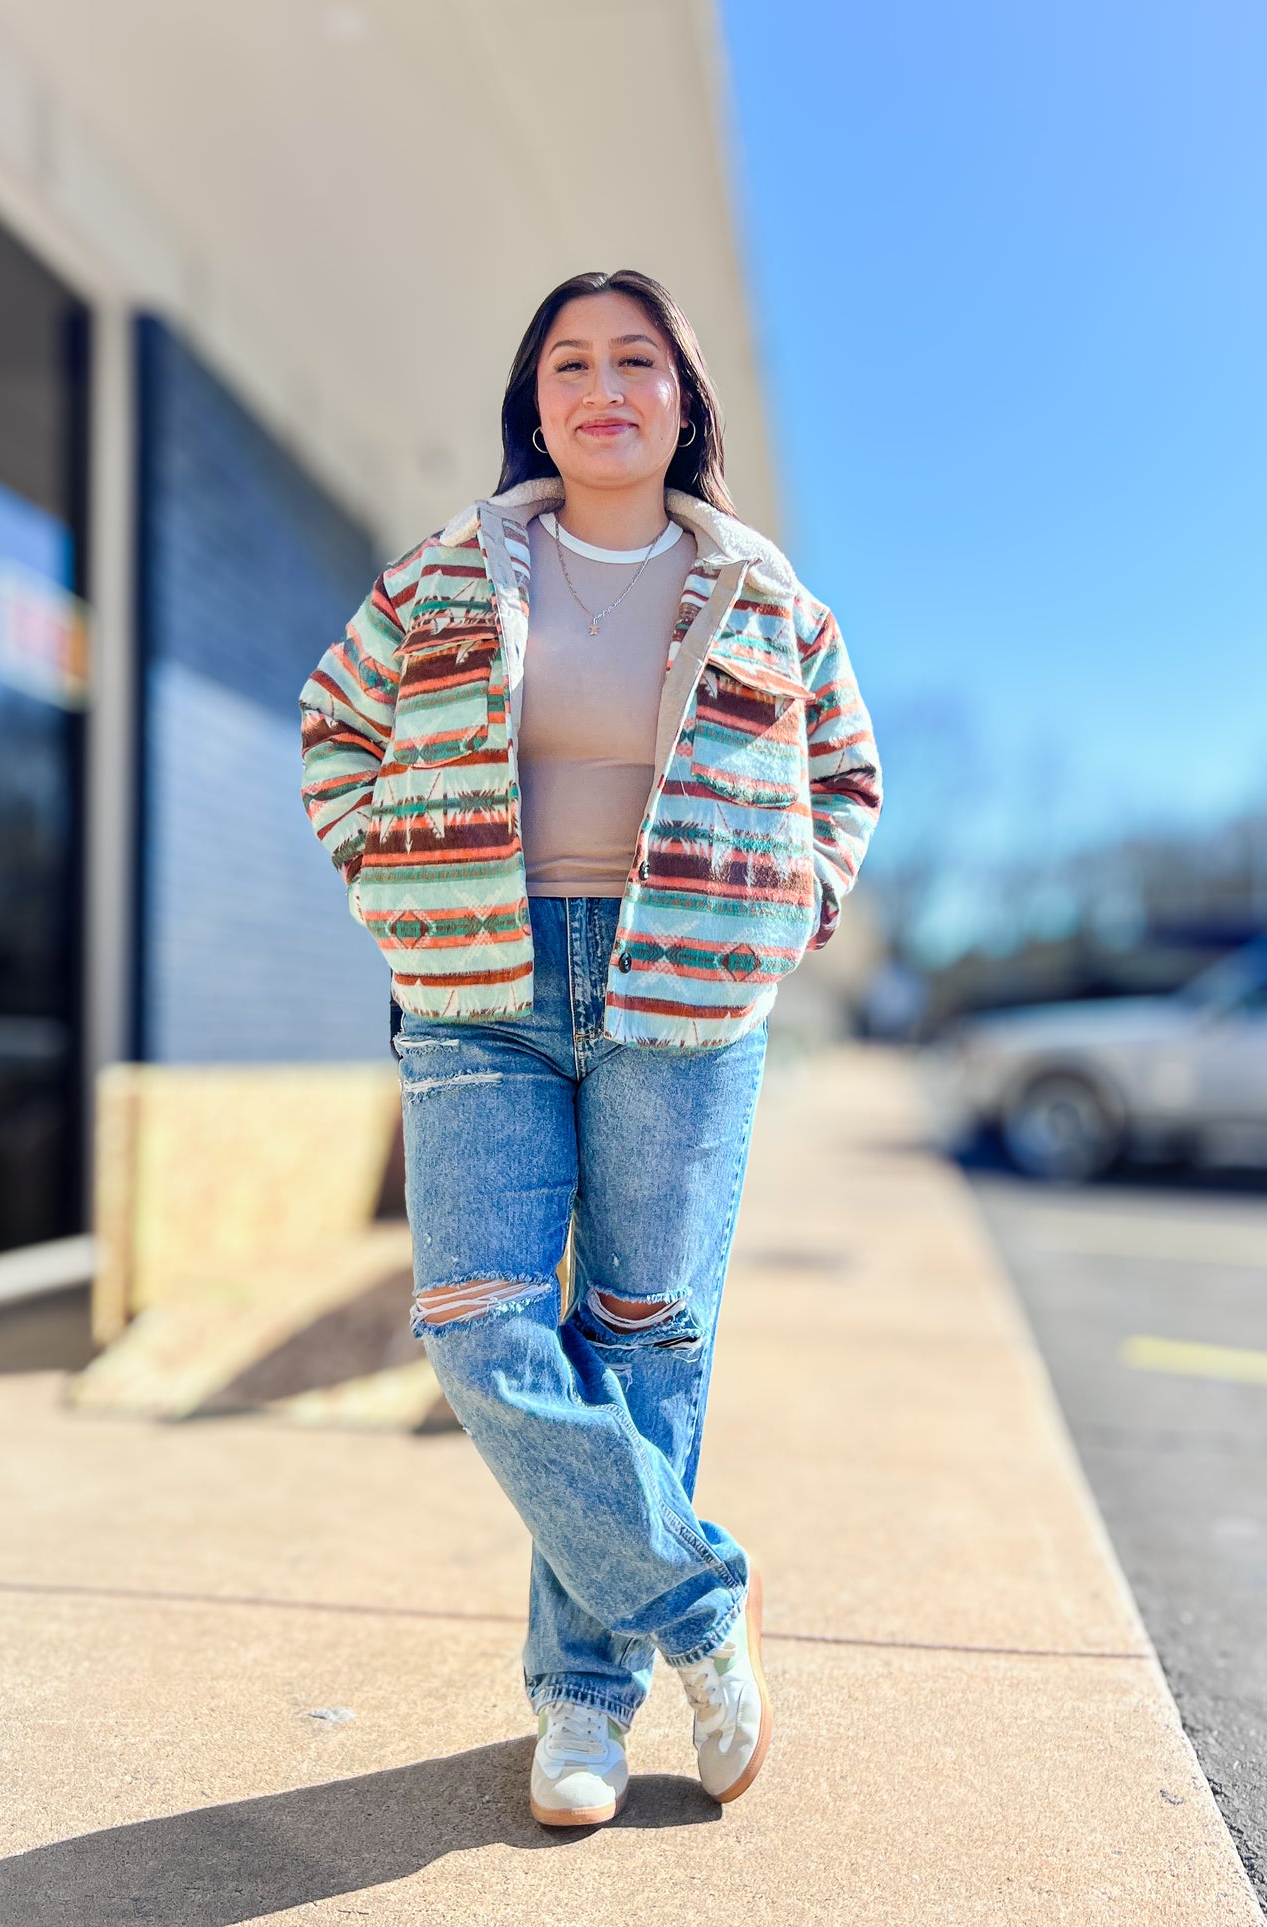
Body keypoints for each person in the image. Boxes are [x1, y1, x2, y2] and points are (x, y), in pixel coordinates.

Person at [299, 269, 881, 1826]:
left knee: (641, 1339)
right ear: (534, 400)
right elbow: (334, 731)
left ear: (683, 400)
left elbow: (845, 776)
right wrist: (392, 884)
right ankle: (699, 1605)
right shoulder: (446, 570)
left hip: (683, 997)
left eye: (635, 359)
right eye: (570, 361)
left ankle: (582, 1710)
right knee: (479, 1328)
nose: (602, 385)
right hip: (476, 989)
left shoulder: (765, 597)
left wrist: (792, 904)